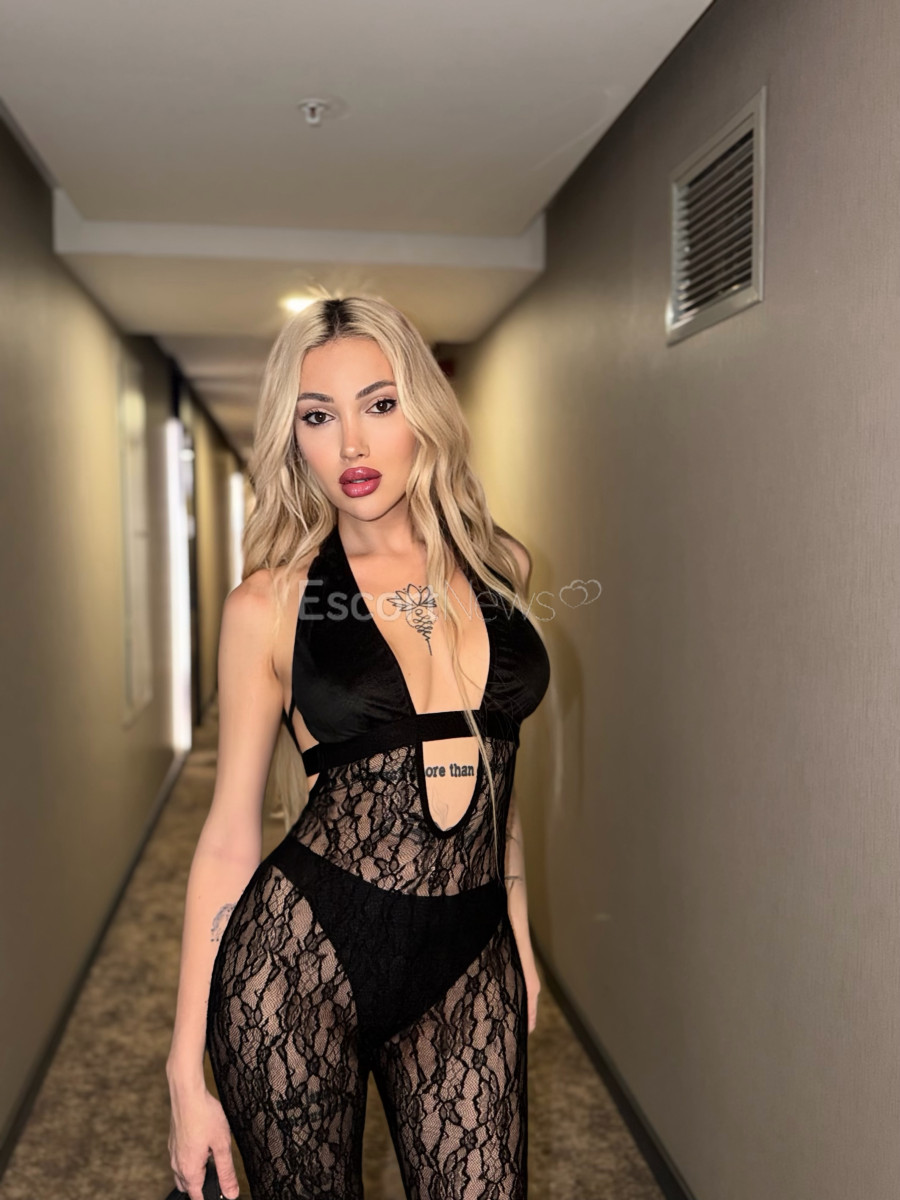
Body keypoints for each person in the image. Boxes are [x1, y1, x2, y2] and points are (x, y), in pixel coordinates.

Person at [165, 295, 551, 1200]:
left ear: (423, 410)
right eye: (318, 416)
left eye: (379, 405)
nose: (351, 445)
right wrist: (185, 1066)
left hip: (469, 960)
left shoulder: (501, 567)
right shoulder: (270, 604)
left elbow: (498, 778)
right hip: (298, 964)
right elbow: (228, 839)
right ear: (292, 438)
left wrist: (518, 935)